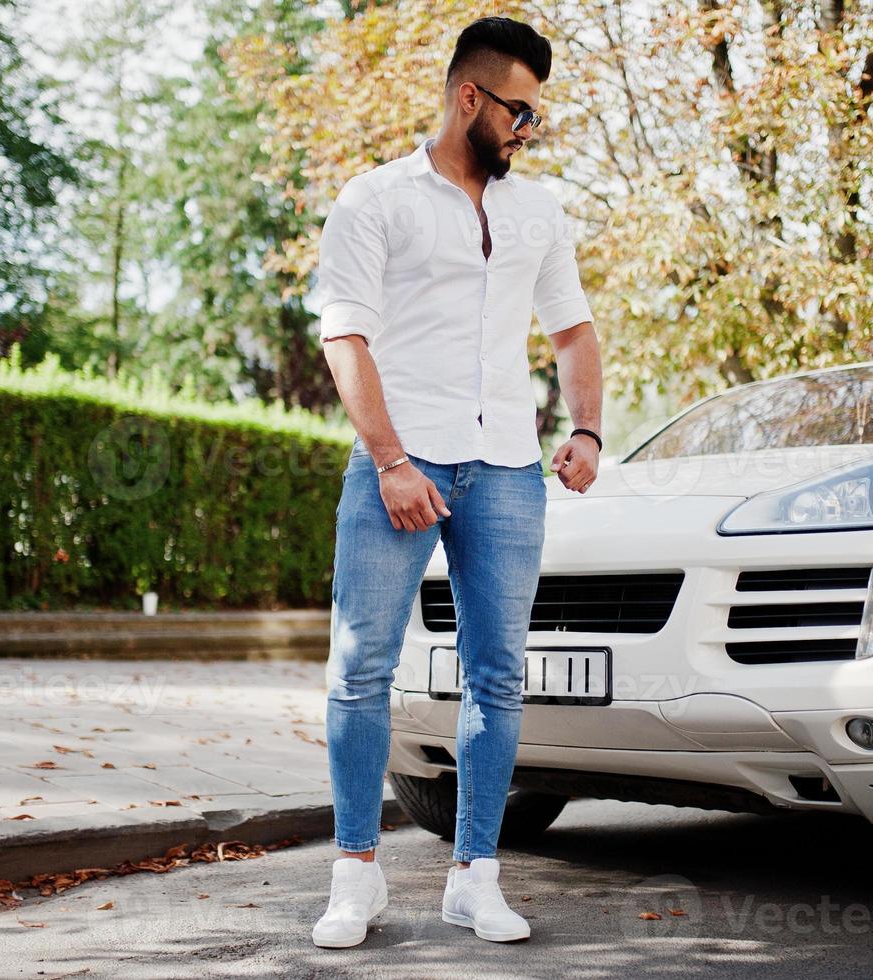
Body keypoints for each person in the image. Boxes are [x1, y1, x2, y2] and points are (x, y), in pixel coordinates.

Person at [308, 14, 603, 949]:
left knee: (499, 679)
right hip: (404, 462)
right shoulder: (375, 200)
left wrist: (585, 428)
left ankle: (476, 875)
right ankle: (355, 873)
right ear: (468, 97)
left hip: (511, 470)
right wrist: (391, 459)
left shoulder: (537, 211)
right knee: (361, 668)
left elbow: (572, 332)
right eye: (519, 112)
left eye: (536, 120)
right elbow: (344, 336)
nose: (528, 131)